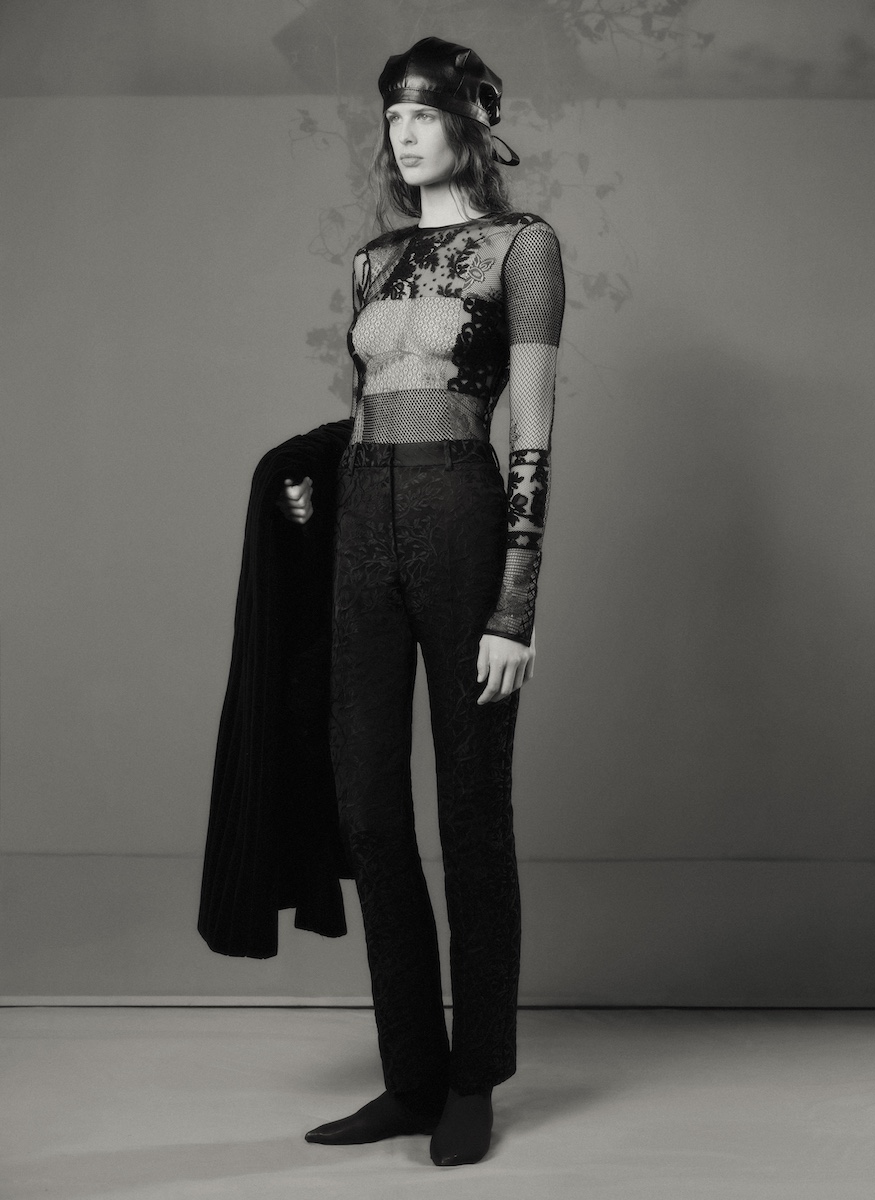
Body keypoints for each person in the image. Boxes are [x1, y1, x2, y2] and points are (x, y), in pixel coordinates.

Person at [277, 36, 565, 1167]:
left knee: (471, 811)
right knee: (366, 804)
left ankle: (473, 1079)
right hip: (366, 521)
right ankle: (409, 1077)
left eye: (423, 113)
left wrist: (515, 604)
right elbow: (367, 407)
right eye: (391, 115)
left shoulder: (523, 246)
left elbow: (532, 428)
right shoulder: (372, 259)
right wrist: (307, 481)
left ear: (471, 124)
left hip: (460, 514)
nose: (401, 133)